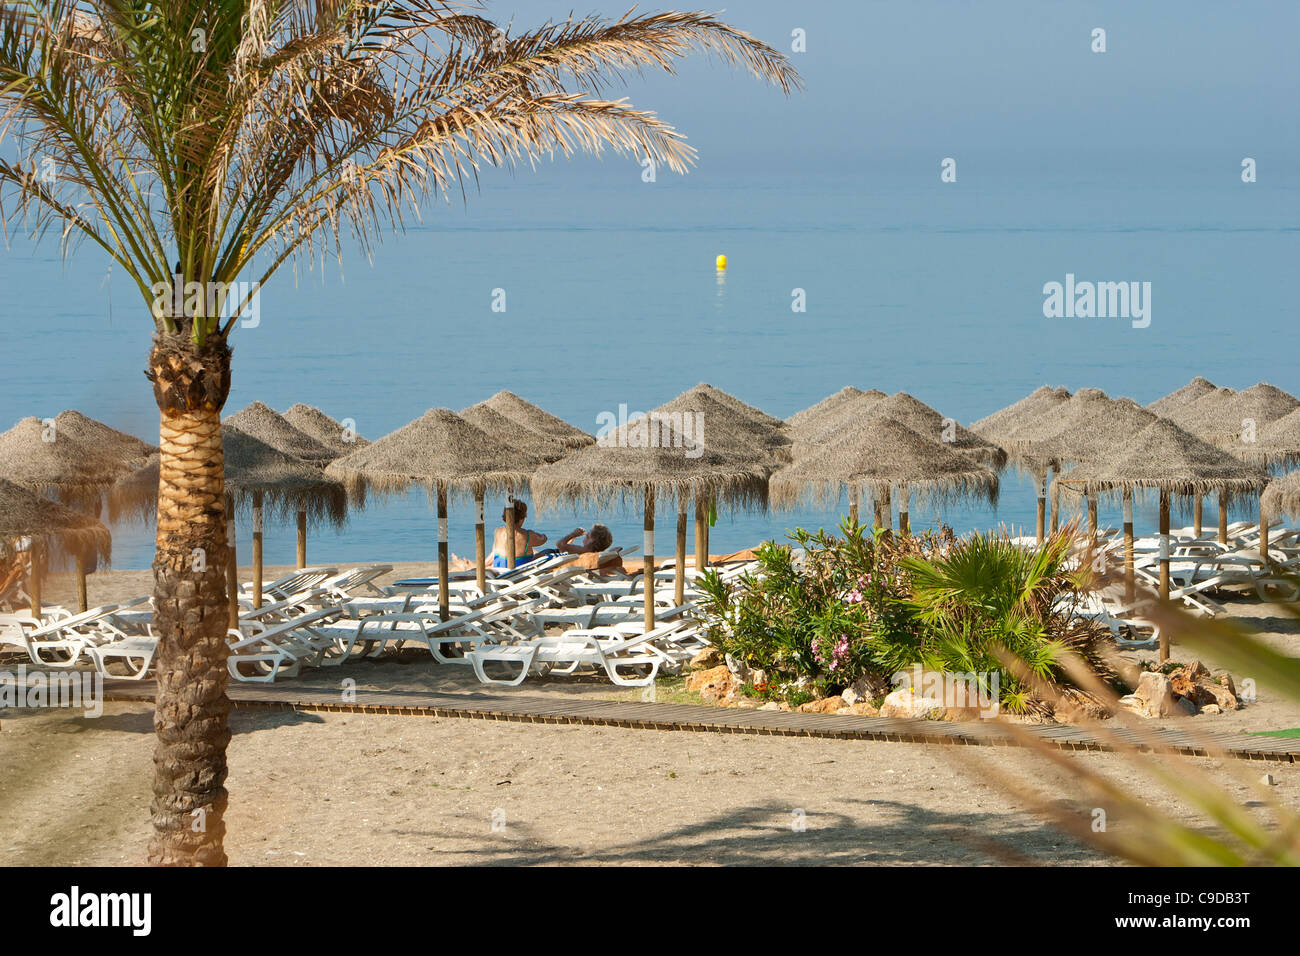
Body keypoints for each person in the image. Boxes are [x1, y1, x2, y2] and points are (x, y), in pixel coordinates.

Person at [490, 500, 547, 569]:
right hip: (518, 570)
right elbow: (543, 539)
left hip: (499, 567)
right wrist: (542, 535)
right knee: (546, 552)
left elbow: (494, 553)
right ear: (522, 518)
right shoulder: (527, 535)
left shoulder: (497, 531)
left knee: (530, 550)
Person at [555, 523, 625, 577]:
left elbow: (559, 544)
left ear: (592, 540)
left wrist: (573, 534)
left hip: (556, 568)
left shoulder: (583, 551)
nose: (585, 536)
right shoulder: (594, 553)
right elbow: (564, 547)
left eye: (587, 536)